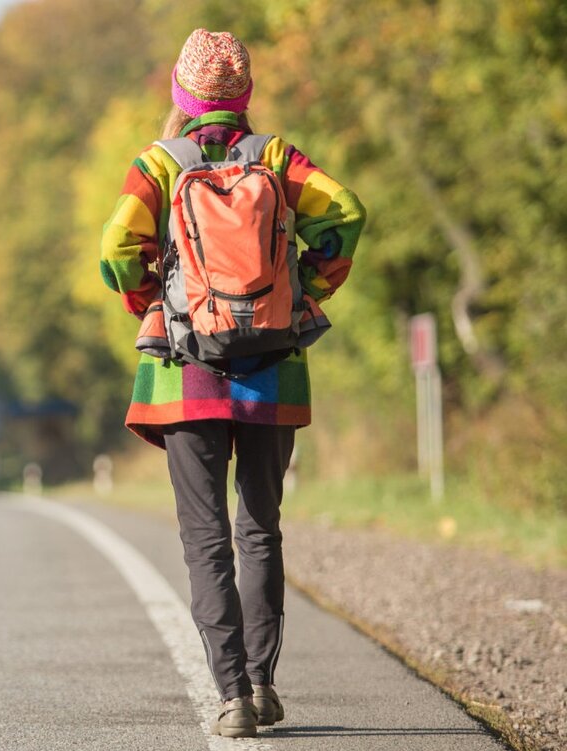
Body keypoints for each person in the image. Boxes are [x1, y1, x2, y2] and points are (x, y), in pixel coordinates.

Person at [99, 29, 366, 738]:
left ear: (183, 97)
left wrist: (151, 301)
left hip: (183, 370)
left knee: (204, 535)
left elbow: (118, 245)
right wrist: (308, 285)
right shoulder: (278, 159)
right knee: (260, 530)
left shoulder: (157, 165)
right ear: (243, 95)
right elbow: (346, 212)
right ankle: (263, 679)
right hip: (272, 366)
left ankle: (230, 696)